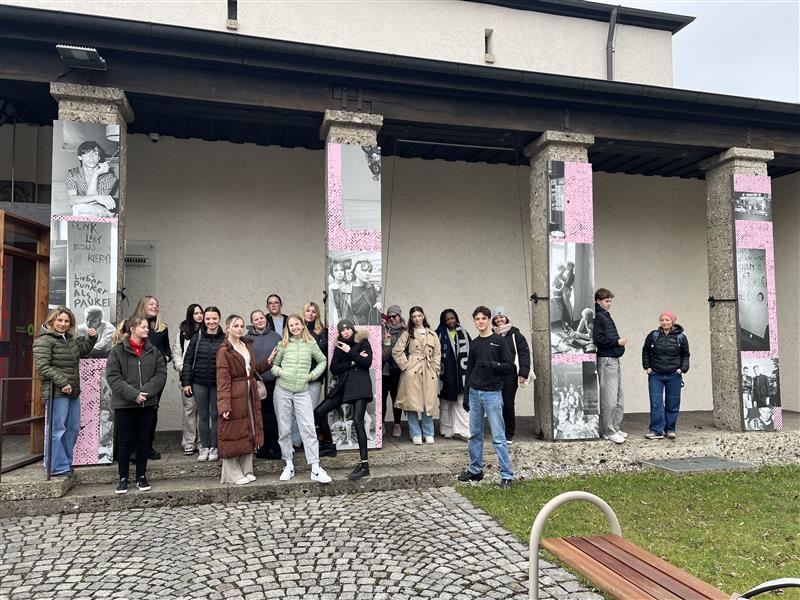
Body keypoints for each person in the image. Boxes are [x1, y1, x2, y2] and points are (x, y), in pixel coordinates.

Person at [32, 306, 97, 477]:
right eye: (59, 320)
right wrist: (63, 382)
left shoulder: (69, 339)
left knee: (72, 429)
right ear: (52, 320)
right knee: (57, 430)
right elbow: (42, 367)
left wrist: (91, 339)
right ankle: (56, 467)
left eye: (66, 321)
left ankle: (65, 464)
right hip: (56, 392)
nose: (62, 323)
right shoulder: (43, 340)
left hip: (72, 392)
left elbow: (82, 351)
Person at [105, 315, 167, 494]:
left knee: (143, 440)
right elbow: (113, 376)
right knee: (124, 442)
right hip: (125, 405)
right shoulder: (117, 351)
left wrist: (145, 393)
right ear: (132, 328)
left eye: (147, 326)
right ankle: (123, 478)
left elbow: (160, 374)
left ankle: (141, 476)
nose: (147, 329)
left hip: (147, 404)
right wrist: (133, 395)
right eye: (143, 326)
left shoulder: (153, 351)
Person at [457, 306, 515, 489]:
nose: (480, 321)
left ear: (489, 320)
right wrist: (466, 395)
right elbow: (470, 369)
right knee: (475, 434)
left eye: (483, 318)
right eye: (477, 319)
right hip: (474, 392)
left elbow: (510, 367)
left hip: (492, 394)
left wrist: (492, 365)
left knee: (498, 436)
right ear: (474, 321)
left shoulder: (500, 341)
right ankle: (476, 470)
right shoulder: (474, 343)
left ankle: (506, 474)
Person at [270, 314, 331, 484]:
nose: (295, 327)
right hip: (282, 390)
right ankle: (288, 464)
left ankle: (315, 468)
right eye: (291, 325)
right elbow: (274, 366)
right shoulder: (283, 344)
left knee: (308, 428)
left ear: (302, 325)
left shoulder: (311, 343)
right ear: (288, 328)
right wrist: (281, 372)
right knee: (284, 428)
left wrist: (312, 376)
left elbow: (323, 361)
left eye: (297, 324)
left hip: (303, 391)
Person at [112, 296, 172, 460]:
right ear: (143, 306)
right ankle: (130, 449)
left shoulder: (161, 328)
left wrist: (165, 357)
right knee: (131, 410)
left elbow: (167, 350)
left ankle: (146, 446)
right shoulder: (130, 324)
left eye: (157, 305)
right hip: (132, 374)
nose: (155, 307)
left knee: (151, 410)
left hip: (155, 376)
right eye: (151, 304)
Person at [216, 315, 272, 485]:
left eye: (241, 326)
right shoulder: (224, 350)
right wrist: (225, 404)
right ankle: (232, 474)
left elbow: (251, 371)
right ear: (227, 328)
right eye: (235, 326)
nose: (239, 328)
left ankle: (246, 470)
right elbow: (223, 379)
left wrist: (269, 361)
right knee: (233, 432)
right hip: (234, 394)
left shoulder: (245, 345)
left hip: (249, 392)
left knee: (249, 429)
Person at [314, 319, 374, 480]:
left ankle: (364, 464)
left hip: (360, 386)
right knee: (318, 412)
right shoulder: (339, 346)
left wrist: (350, 351)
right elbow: (334, 368)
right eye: (342, 330)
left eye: (348, 329)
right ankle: (328, 444)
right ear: (340, 333)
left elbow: (367, 362)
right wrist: (353, 360)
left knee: (358, 421)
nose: (346, 332)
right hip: (343, 387)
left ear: (353, 330)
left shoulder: (363, 341)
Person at [181, 306, 225, 462]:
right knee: (203, 415)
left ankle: (215, 447)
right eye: (208, 319)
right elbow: (187, 361)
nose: (211, 321)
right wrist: (186, 382)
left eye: (214, 318)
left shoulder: (225, 338)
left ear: (219, 319)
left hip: (217, 383)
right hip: (199, 382)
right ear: (204, 320)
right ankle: (204, 447)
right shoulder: (197, 337)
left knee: (216, 415)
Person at [392, 306, 441, 445]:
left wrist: (436, 368)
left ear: (423, 316)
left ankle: (428, 433)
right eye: (414, 316)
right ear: (411, 318)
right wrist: (406, 366)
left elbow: (437, 353)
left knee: (428, 402)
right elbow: (397, 351)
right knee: (412, 403)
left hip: (429, 369)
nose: (417, 318)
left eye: (419, 315)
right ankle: (415, 434)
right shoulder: (408, 333)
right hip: (413, 369)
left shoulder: (432, 334)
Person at [641, 310, 690, 440]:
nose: (664, 322)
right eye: (662, 320)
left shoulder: (681, 337)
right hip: (656, 375)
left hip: (674, 375)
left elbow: (685, 355)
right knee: (656, 403)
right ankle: (656, 430)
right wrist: (647, 367)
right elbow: (645, 351)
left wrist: (682, 369)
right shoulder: (653, 335)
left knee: (672, 403)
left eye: (667, 320)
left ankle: (670, 429)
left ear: (673, 322)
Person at [491, 306, 531, 444]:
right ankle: (498, 431)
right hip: (495, 374)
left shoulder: (516, 335)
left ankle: (509, 434)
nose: (499, 320)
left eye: (501, 317)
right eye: (496, 318)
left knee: (507, 403)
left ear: (506, 317)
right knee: (495, 404)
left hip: (510, 374)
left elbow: (524, 354)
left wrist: (523, 373)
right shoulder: (491, 335)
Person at [245, 310, 282, 460]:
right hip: (256, 384)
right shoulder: (246, 339)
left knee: (273, 416)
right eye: (256, 319)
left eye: (261, 318)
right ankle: (262, 447)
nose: (259, 320)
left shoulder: (275, 336)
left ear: (265, 320)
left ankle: (275, 447)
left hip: (274, 382)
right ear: (252, 322)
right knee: (259, 417)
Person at [593, 288, 627, 444]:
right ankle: (609, 430)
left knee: (619, 397)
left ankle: (614, 427)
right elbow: (598, 339)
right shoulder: (599, 316)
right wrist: (616, 342)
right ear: (598, 301)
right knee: (610, 398)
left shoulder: (605, 315)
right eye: (607, 301)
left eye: (610, 301)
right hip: (606, 359)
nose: (609, 304)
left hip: (614, 358)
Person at [172, 303, 204, 455]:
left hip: (203, 376)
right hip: (187, 378)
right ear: (190, 315)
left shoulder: (206, 331)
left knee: (203, 411)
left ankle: (201, 441)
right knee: (189, 409)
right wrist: (183, 369)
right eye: (195, 313)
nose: (199, 315)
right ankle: (189, 442)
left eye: (200, 312)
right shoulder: (182, 333)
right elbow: (176, 354)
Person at [435, 308, 471, 440]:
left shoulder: (464, 333)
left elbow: (471, 352)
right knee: (445, 403)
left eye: (452, 318)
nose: (450, 321)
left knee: (461, 402)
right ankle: (446, 429)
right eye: (447, 319)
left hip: (461, 375)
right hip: (445, 375)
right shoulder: (438, 334)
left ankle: (463, 430)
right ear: (443, 321)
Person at [65, 140, 118, 217]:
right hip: (81, 213)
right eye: (87, 153)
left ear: (99, 157)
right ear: (80, 157)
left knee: (80, 207)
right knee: (78, 207)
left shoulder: (109, 177)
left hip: (100, 214)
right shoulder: (72, 174)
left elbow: (92, 203)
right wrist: (96, 197)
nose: (91, 157)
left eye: (95, 153)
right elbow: (71, 200)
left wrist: (96, 175)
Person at [382, 305, 405, 438]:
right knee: (383, 398)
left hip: (398, 370)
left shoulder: (405, 330)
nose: (392, 319)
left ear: (399, 315)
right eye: (389, 316)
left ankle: (397, 424)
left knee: (397, 399)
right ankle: (382, 423)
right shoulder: (384, 330)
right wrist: (387, 340)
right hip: (385, 370)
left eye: (394, 316)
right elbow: (383, 355)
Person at [349, 260, 381, 326]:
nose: (367, 273)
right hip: (353, 324)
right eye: (364, 270)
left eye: (369, 271)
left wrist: (378, 301)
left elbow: (378, 295)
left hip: (370, 322)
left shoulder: (371, 287)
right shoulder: (346, 289)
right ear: (355, 272)